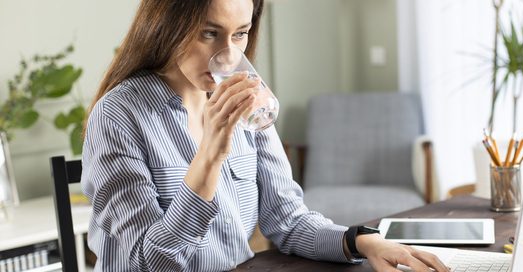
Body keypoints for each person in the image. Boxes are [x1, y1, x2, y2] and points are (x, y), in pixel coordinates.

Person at [82, 0, 450, 271]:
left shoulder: (246, 101)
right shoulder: (118, 116)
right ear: (167, 24)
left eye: (239, 34)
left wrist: (361, 240)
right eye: (209, 33)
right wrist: (209, 158)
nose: (228, 56)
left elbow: (288, 220)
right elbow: (149, 263)